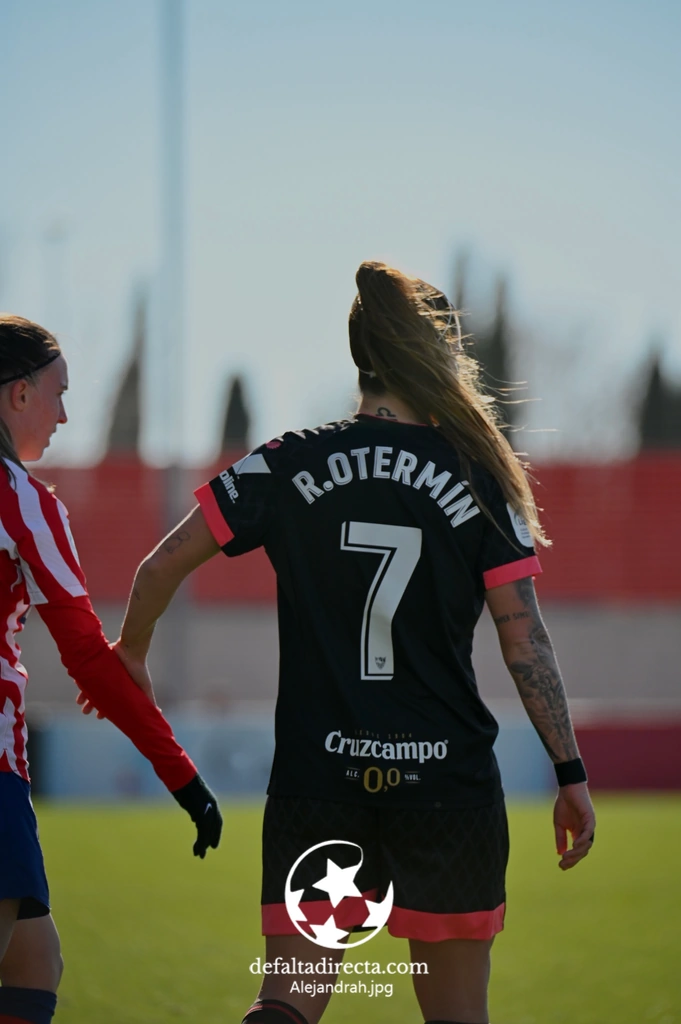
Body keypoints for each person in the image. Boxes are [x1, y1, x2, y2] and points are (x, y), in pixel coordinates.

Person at [114, 262, 595, 1024]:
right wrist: (568, 770)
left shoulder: (282, 461)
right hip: (447, 788)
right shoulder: (473, 477)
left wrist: (131, 654)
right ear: (434, 357)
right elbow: (522, 636)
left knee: (287, 1003)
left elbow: (158, 566)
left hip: (319, 779)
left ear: (358, 355)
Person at [0, 314, 222, 1024]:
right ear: (18, 395)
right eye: (59, 393)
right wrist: (183, 777)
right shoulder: (24, 502)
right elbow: (92, 662)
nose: (67, 414)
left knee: (34, 959)